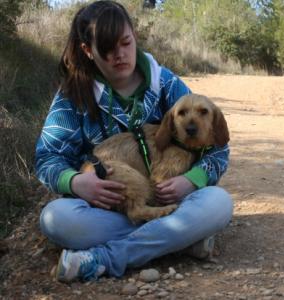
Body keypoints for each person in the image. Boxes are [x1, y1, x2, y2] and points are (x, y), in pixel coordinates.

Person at [36, 0, 233, 283]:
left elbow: (217, 147)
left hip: (162, 202)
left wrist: (191, 180)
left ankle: (105, 258)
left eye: (125, 43)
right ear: (88, 51)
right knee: (56, 218)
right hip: (105, 210)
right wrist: (75, 182)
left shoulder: (165, 83)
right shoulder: (72, 95)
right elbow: (47, 157)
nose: (120, 55)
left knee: (219, 203)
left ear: (134, 36)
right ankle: (180, 238)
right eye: (106, 48)